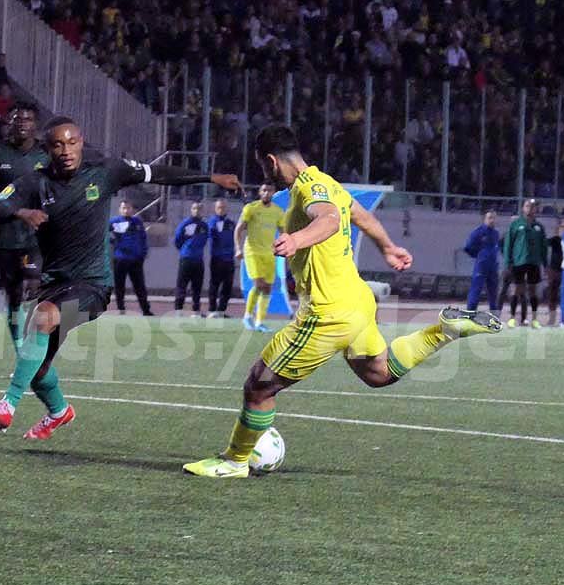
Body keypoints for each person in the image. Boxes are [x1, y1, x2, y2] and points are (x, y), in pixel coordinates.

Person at [183, 124, 501, 478]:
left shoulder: (308, 188)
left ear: (271, 161)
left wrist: (297, 240)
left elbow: (331, 220)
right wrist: (387, 246)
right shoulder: (328, 183)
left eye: (262, 166)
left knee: (258, 385)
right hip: (357, 302)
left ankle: (234, 461)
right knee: (380, 373)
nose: (265, 175)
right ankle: (445, 330)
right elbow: (358, 215)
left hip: (327, 313)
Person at [0, 115, 238, 438]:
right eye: (58, 144)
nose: (66, 150)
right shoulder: (35, 183)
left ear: (81, 142)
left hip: (94, 287)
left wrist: (211, 176)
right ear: (47, 149)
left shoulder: (105, 172)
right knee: (36, 368)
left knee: (43, 319)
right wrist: (22, 211)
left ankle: (8, 404)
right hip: (55, 286)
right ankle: (59, 411)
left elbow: (157, 173)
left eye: (72, 142)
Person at [0, 101, 46, 344]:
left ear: (35, 125)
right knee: (13, 296)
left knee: (34, 284)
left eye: (28, 119)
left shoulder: (46, 154)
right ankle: (20, 348)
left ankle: (38, 346)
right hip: (4, 234)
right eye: (17, 119)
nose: (22, 123)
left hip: (37, 234)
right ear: (9, 123)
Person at [236, 183, 283, 332]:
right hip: (253, 252)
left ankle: (259, 322)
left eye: (269, 190)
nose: (266, 193)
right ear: (259, 192)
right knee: (259, 284)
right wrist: (237, 248)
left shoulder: (278, 211)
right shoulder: (251, 208)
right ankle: (247, 316)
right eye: (264, 190)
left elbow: (283, 231)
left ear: (273, 192)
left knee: (267, 288)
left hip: (269, 253)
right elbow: (238, 229)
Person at [502, 198, 546, 328]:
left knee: (533, 291)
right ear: (523, 208)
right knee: (516, 289)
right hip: (518, 262)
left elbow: (543, 246)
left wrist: (545, 263)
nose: (530, 209)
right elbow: (508, 244)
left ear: (536, 209)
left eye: (532, 206)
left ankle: (534, 319)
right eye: (527, 206)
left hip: (534, 262)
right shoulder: (515, 224)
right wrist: (508, 262)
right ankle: (512, 318)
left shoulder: (539, 227)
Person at [108, 200, 152, 315]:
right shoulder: (114, 221)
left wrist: (143, 253)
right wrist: (111, 240)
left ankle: (146, 310)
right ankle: (121, 308)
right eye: (124, 208)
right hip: (120, 259)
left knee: (140, 286)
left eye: (128, 208)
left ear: (132, 209)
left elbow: (143, 238)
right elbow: (103, 233)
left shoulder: (137, 222)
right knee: (119, 285)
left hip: (135, 260)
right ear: (120, 209)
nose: (126, 210)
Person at [173, 201, 209, 315]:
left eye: (199, 209)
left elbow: (204, 240)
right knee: (182, 285)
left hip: (198, 260)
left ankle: (196, 310)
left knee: (197, 287)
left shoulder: (204, 226)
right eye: (194, 208)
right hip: (186, 259)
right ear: (191, 210)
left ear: (202, 211)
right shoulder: (185, 224)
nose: (197, 211)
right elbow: (177, 240)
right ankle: (178, 310)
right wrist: (185, 250)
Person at [463, 209, 501, 312]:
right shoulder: (478, 232)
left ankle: (494, 314)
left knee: (494, 292)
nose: (492, 220)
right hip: (481, 266)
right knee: (476, 290)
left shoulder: (496, 233)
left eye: (494, 218)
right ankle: (470, 313)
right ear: (484, 219)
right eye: (490, 218)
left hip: (493, 266)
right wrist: (479, 256)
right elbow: (468, 247)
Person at [207, 199, 236, 318]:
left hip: (229, 259)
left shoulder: (231, 223)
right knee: (214, 284)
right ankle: (212, 310)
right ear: (215, 209)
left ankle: (221, 310)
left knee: (227, 286)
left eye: (223, 207)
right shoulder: (212, 222)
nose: (221, 209)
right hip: (217, 259)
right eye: (219, 207)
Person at [544, 222, 564, 325]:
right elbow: (545, 243)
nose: (563, 231)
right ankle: (552, 317)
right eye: (561, 229)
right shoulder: (555, 240)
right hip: (554, 270)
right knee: (552, 294)